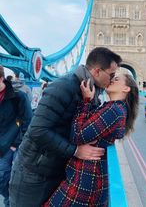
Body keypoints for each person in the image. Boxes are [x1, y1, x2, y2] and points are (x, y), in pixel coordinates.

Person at [9, 47, 122, 207]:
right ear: (97, 71)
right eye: (111, 75)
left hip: (56, 170)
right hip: (33, 174)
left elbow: (81, 130)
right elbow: (37, 131)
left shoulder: (91, 92)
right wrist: (75, 151)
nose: (112, 79)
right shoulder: (63, 86)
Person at [43, 73, 139, 206]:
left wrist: (86, 101)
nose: (112, 80)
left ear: (126, 89)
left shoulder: (114, 110)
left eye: (116, 79)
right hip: (87, 178)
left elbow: (77, 136)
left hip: (84, 181)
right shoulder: (114, 108)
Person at [0, 66, 32, 207]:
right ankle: (10, 200)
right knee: (2, 181)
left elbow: (27, 121)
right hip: (1, 146)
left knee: (15, 180)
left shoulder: (18, 97)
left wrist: (16, 144)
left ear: (1, 78)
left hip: (13, 145)